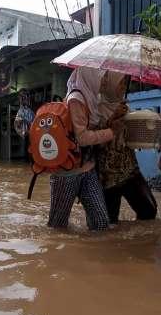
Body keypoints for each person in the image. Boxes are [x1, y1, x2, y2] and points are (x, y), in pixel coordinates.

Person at [47, 67, 124, 231]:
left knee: (101, 222)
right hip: (67, 172)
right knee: (57, 227)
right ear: (92, 76)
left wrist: (113, 120)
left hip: (88, 168)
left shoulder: (92, 99)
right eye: (102, 76)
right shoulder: (76, 99)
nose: (104, 80)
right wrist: (111, 132)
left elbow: (93, 129)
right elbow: (82, 138)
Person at [96, 71, 158, 224]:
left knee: (149, 211)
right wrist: (112, 118)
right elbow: (92, 140)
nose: (123, 86)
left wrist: (157, 129)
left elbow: (134, 137)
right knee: (110, 223)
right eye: (120, 82)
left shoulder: (126, 107)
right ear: (110, 83)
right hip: (108, 175)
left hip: (130, 169)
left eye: (125, 82)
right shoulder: (96, 108)